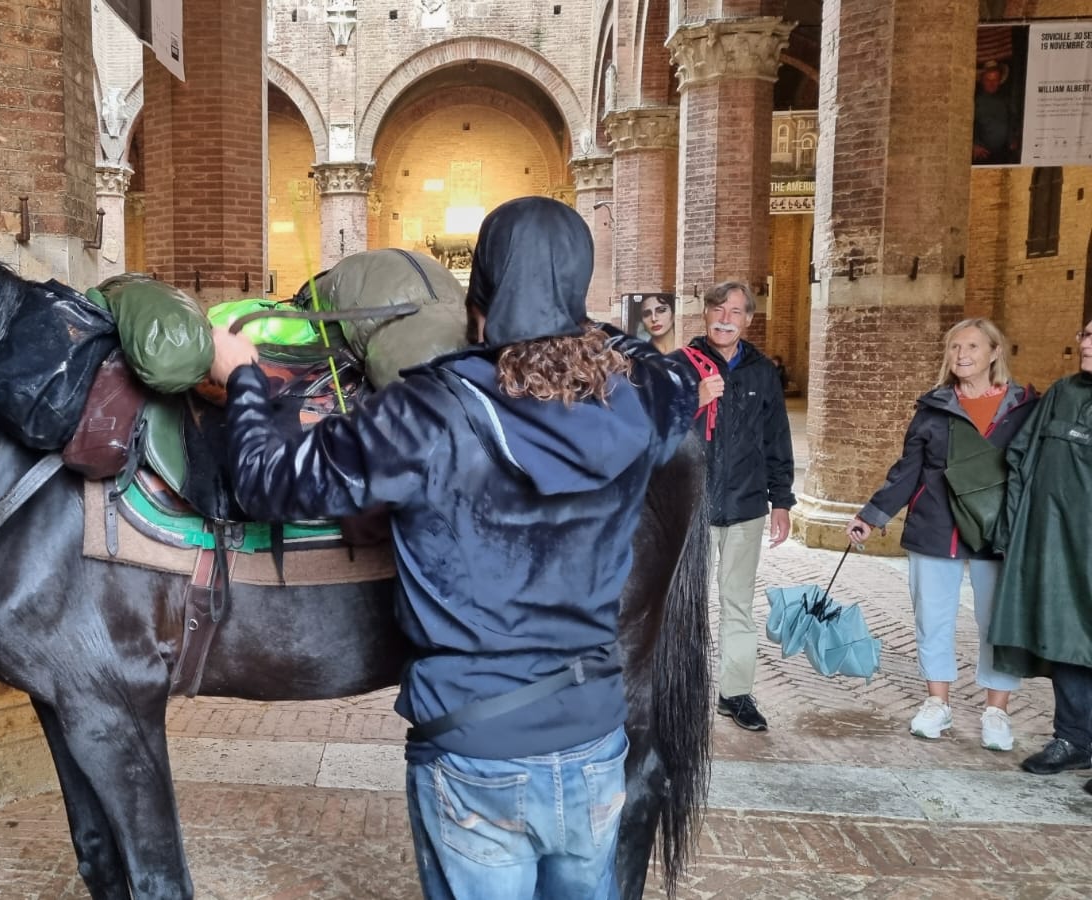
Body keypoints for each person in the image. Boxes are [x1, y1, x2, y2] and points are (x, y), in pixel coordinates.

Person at [210, 196, 696, 899]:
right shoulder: (643, 401)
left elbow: (267, 483)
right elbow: (668, 370)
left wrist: (244, 380)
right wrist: (582, 335)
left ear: (478, 301)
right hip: (593, 743)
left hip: (477, 753)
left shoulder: (426, 414)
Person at [846, 319, 1037, 749]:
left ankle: (997, 711)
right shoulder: (934, 408)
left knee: (998, 624)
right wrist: (872, 515)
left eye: (971, 346)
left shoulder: (1024, 407)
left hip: (996, 533)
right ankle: (938, 704)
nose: (961, 355)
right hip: (937, 528)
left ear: (993, 353)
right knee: (932, 619)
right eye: (954, 348)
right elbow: (907, 471)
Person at [679, 281, 794, 732]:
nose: (726, 317)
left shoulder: (762, 372)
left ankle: (735, 694)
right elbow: (653, 429)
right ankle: (683, 691)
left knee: (737, 605)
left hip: (746, 508)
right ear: (705, 314)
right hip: (692, 508)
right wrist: (695, 399)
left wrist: (781, 500)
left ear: (749, 320)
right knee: (687, 605)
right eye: (718, 309)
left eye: (736, 311)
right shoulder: (681, 367)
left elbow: (776, 439)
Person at [989, 319, 1092, 789]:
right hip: (1056, 546)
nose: (1085, 343)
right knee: (1065, 638)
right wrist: (1013, 530)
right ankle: (1073, 740)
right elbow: (1022, 458)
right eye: (1084, 335)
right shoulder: (1062, 393)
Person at [972, 59, 1021, 165]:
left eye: (995, 80)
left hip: (1003, 155)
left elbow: (1013, 120)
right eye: (988, 80)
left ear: (1000, 81)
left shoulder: (1006, 100)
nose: (992, 84)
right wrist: (973, 145)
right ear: (982, 80)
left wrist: (1013, 138)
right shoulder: (974, 101)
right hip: (981, 156)